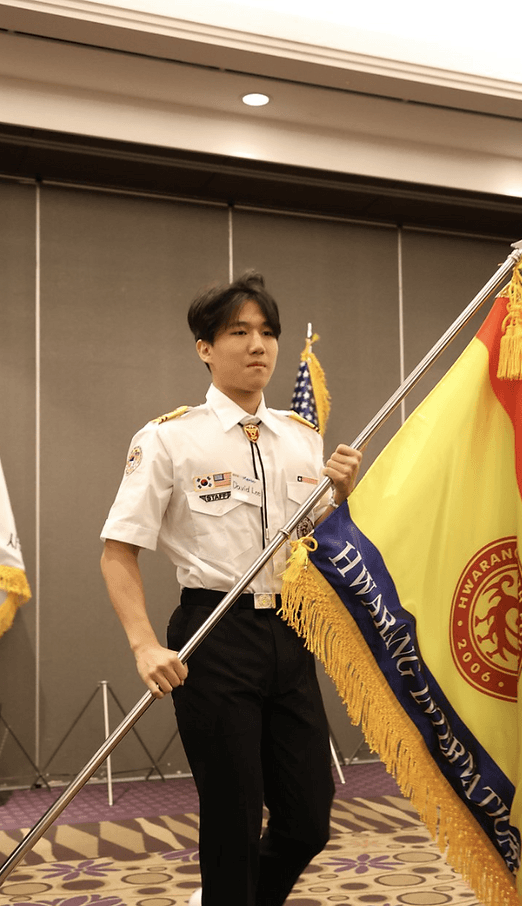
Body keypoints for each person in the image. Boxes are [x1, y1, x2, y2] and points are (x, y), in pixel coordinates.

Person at [100, 271, 362, 906]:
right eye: (239, 332)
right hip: (213, 634)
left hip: (289, 633)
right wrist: (143, 646)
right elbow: (118, 551)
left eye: (267, 332)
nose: (258, 345)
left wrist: (340, 496)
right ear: (205, 348)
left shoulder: (302, 437)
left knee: (307, 819)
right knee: (233, 818)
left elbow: (312, 540)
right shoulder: (169, 438)